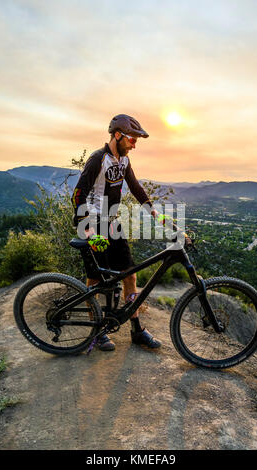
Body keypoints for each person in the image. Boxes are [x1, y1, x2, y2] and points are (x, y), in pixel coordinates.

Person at [71, 114, 162, 351]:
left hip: (111, 222)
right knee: (95, 280)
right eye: (132, 140)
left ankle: (136, 330)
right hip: (92, 224)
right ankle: (96, 331)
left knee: (129, 275)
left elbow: (135, 186)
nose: (134, 144)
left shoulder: (123, 161)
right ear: (118, 135)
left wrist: (154, 212)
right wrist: (87, 228)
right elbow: (78, 194)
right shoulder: (97, 159)